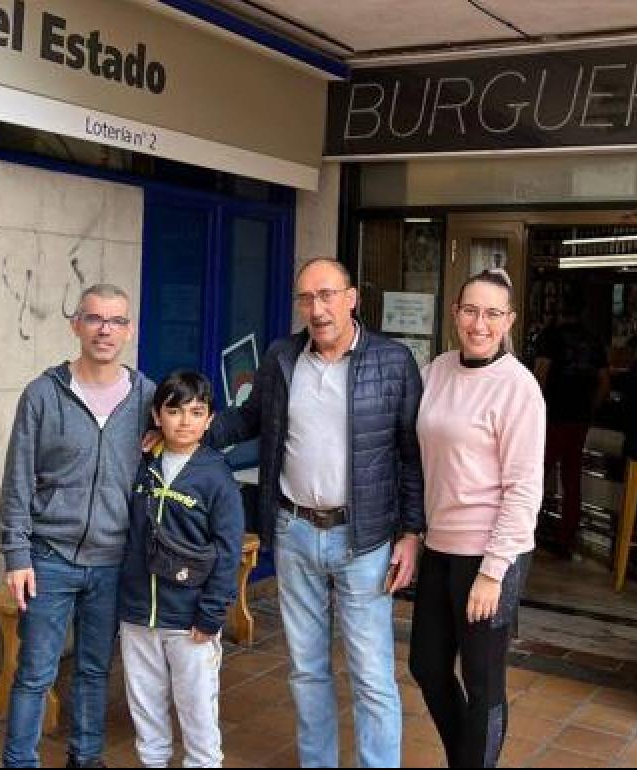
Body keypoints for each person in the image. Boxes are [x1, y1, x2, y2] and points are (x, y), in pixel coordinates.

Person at [206, 257, 424, 768]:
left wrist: (411, 532)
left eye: (327, 295)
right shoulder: (283, 356)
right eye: (306, 298)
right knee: (306, 670)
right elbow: (251, 419)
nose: (317, 308)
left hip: (364, 539)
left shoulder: (392, 361)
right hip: (295, 530)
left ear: (351, 298)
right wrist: (185, 428)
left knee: (371, 674)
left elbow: (413, 455)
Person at [0, 283, 156, 769]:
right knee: (35, 673)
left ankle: (85, 757)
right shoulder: (44, 394)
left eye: (116, 321)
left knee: (93, 670)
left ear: (128, 330)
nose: (105, 330)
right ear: (76, 325)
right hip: (50, 558)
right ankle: (19, 761)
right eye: (94, 319)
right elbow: (18, 478)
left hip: (114, 560)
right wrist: (17, 555)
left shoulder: (148, 396)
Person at [411, 268, 545, 768]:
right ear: (455, 314)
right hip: (440, 545)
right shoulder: (438, 370)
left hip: (491, 555)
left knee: (483, 681)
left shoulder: (519, 388)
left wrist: (493, 572)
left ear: (508, 321)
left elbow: (523, 489)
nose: (479, 323)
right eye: (470, 310)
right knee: (426, 664)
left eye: (492, 313)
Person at [118, 371, 244, 769]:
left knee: (198, 715)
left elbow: (228, 551)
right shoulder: (143, 463)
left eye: (196, 412)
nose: (184, 421)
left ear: (209, 420)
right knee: (146, 711)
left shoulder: (216, 476)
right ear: (157, 415)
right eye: (173, 411)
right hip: (138, 613)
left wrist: (211, 614)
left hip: (189, 619)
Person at [532, 291, 609, 559]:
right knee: (571, 480)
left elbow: (540, 373)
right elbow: (604, 381)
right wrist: (590, 410)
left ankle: (528, 531)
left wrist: (533, 409)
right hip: (579, 419)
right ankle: (566, 538)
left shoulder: (550, 337)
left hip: (552, 416)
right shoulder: (593, 340)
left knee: (536, 475)